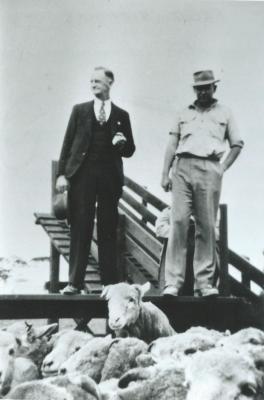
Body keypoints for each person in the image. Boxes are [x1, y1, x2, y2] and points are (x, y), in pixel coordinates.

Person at [161, 70, 244, 297]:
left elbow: (237, 143)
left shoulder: (225, 112)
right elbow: (171, 144)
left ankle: (204, 283)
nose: (203, 91)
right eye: (199, 88)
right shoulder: (182, 112)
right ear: (194, 90)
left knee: (206, 225)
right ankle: (173, 282)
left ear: (214, 88)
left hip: (210, 168)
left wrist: (222, 168)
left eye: (207, 87)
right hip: (182, 167)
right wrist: (164, 173)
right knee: (178, 222)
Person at [56, 66, 135, 294]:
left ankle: (109, 283)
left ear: (110, 83)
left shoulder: (122, 115)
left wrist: (123, 143)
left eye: (98, 81)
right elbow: (67, 143)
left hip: (109, 177)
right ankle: (74, 283)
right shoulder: (79, 111)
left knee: (108, 227)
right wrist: (62, 174)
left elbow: (130, 150)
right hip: (82, 175)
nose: (93, 85)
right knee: (81, 225)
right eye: (91, 81)